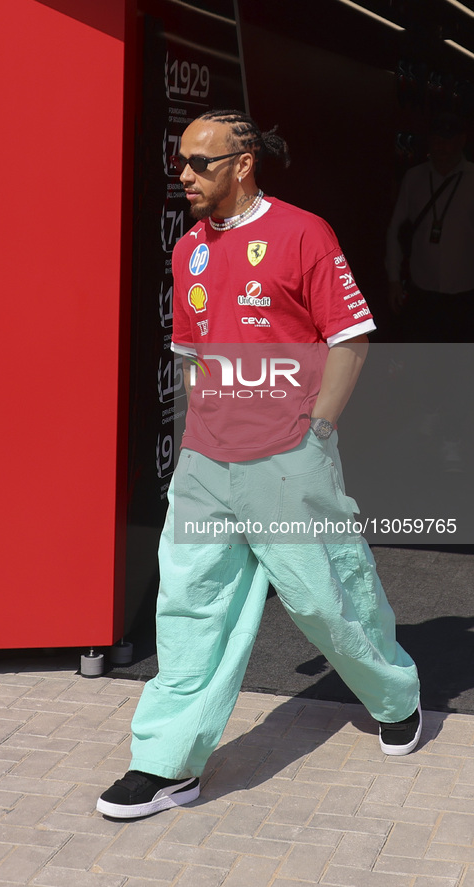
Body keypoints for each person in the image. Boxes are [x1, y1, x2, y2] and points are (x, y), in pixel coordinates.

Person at [97, 110, 421, 820]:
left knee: (319, 596)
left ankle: (395, 694)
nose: (183, 175)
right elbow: (191, 357)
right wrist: (195, 436)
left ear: (242, 165)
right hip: (206, 461)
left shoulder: (303, 232)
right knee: (189, 604)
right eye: (180, 162)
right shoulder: (188, 250)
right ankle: (165, 762)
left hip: (287, 454)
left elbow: (350, 338)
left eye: (199, 163)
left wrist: (318, 429)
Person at [386, 113, 474, 342]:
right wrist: (394, 279)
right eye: (437, 140)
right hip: (422, 292)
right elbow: (395, 230)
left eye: (448, 139)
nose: (442, 147)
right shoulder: (414, 178)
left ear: (462, 140)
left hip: (465, 293)